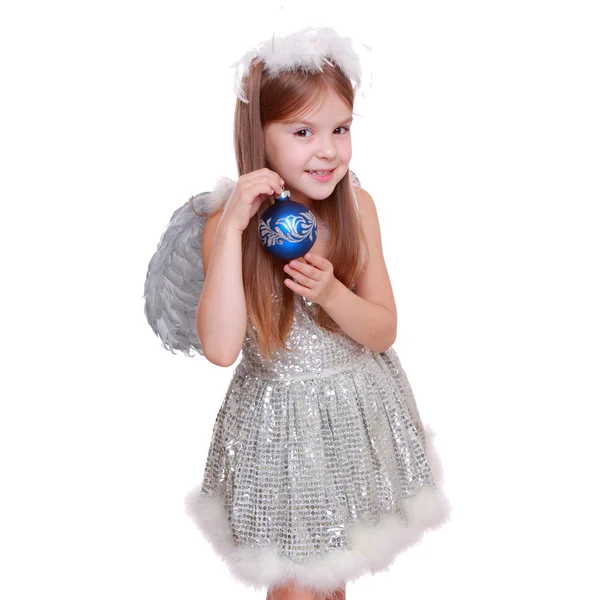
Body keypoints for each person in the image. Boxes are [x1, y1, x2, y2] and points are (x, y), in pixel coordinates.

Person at [147, 26, 450, 600]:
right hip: (279, 428)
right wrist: (235, 227)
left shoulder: (356, 207)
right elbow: (220, 348)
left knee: (331, 578)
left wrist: (334, 293)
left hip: (354, 413)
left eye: (341, 129)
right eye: (303, 131)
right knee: (293, 586)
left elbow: (383, 330)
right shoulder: (228, 225)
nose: (328, 149)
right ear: (260, 137)